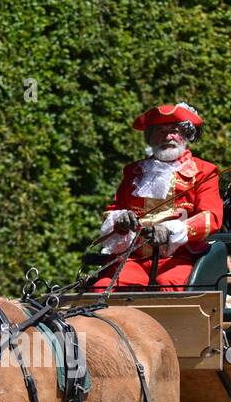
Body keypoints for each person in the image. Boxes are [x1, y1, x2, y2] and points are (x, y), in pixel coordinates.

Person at [92, 102, 222, 291]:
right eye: (160, 131)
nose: (168, 136)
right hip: (133, 258)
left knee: (169, 287)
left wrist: (171, 230)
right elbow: (112, 210)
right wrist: (119, 219)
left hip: (179, 258)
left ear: (185, 135)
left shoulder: (205, 171)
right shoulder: (133, 172)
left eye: (174, 130)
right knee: (103, 289)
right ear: (149, 137)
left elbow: (212, 218)